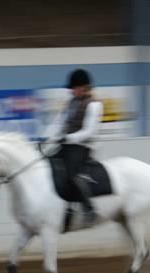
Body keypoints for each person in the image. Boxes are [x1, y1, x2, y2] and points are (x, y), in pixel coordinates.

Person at [42, 68, 104, 225]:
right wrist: (46, 138)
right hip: (68, 145)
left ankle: (89, 208)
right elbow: (58, 123)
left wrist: (67, 138)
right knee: (48, 166)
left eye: (74, 88)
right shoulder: (70, 103)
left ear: (84, 87)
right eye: (71, 88)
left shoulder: (94, 105)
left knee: (70, 174)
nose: (71, 91)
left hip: (83, 146)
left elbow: (89, 132)